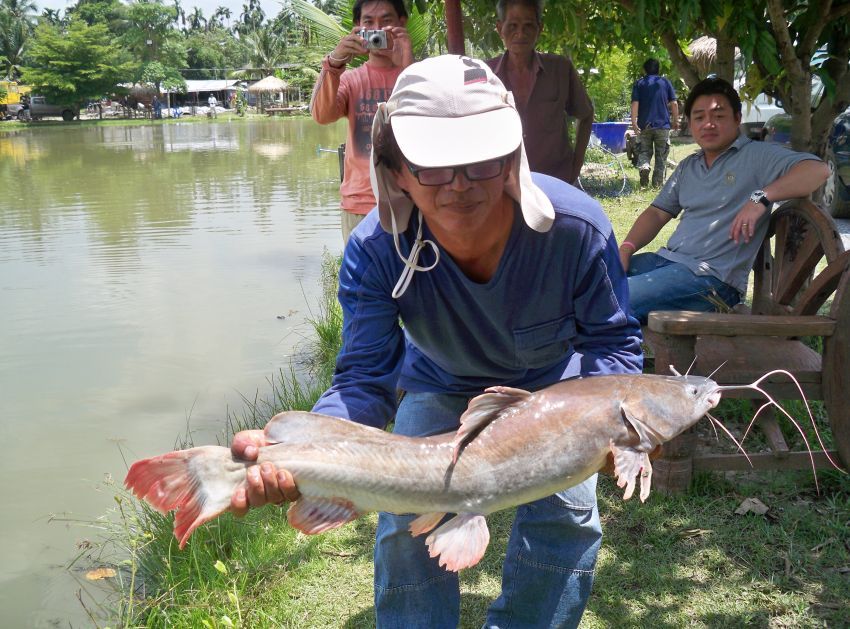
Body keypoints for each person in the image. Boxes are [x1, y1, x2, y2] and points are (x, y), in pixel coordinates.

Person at [230, 55, 643, 627]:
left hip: (552, 385)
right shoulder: (375, 251)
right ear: (395, 169)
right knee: (404, 523)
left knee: (567, 519)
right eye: (433, 165)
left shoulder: (577, 230)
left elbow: (613, 343)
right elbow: (363, 379)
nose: (459, 185)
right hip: (441, 379)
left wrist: (627, 421)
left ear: (509, 160)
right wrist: (311, 449)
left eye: (479, 161)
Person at [620, 76, 829, 324]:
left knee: (609, 298)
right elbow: (657, 213)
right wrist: (627, 247)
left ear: (737, 119)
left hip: (711, 279)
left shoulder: (757, 155)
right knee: (586, 278)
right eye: (699, 117)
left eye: (718, 116)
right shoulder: (689, 166)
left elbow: (818, 171)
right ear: (690, 123)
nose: (708, 124)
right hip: (664, 262)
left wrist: (760, 197)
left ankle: (605, 357)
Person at [310, 0, 413, 244]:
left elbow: (430, 120)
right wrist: (334, 63)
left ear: (402, 23)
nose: (377, 28)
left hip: (413, 200)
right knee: (362, 282)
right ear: (358, 28)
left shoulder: (418, 74)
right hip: (360, 205)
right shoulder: (350, 80)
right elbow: (320, 115)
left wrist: (408, 64)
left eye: (386, 21)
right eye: (369, 22)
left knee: (414, 279)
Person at [485, 0, 594, 185]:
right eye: (512, 26)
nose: (520, 33)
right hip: (503, 185)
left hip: (557, 181)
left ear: (540, 28)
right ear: (499, 28)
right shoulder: (485, 75)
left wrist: (576, 165)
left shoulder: (560, 69)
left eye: (529, 26)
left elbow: (586, 114)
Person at [630, 58, 679, 188]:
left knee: (644, 151)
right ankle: (657, 184)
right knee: (661, 156)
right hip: (663, 125)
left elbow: (635, 103)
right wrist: (676, 120)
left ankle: (645, 167)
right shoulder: (665, 82)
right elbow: (674, 103)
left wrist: (634, 123)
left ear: (644, 70)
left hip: (644, 125)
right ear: (659, 69)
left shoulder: (639, 83)